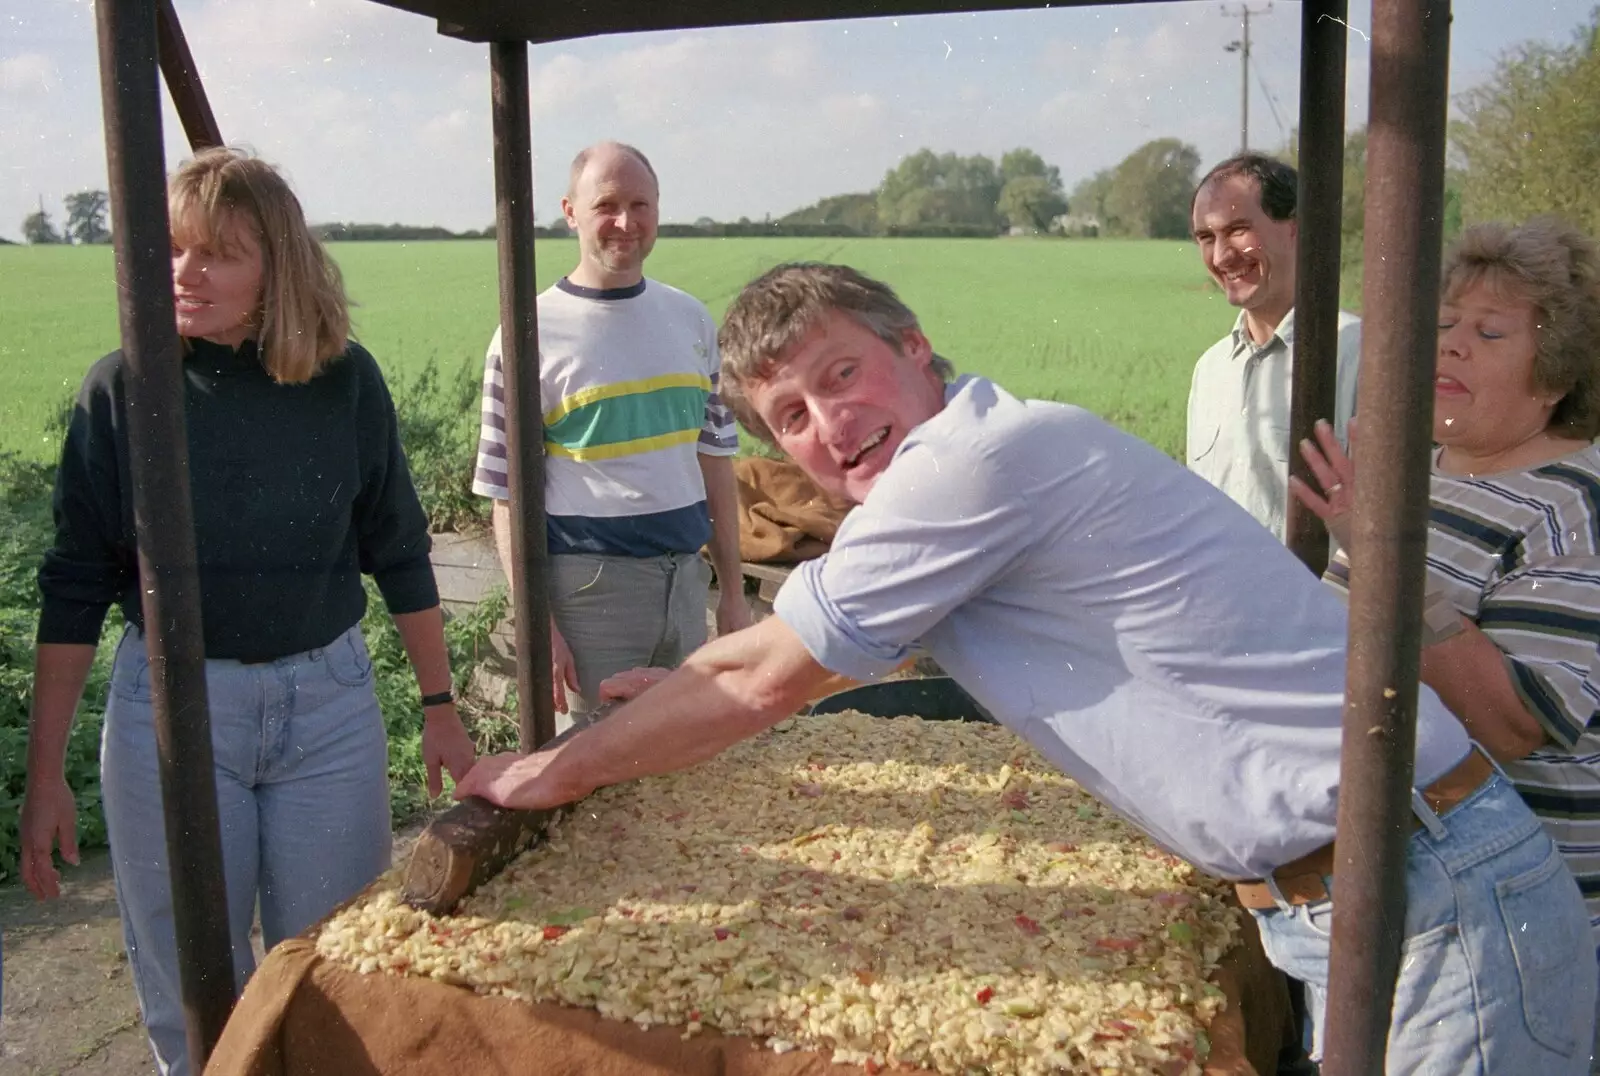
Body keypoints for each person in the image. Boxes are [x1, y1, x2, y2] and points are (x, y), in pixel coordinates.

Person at [457, 261, 1598, 1073]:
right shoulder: (960, 471)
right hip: (1355, 888)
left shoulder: (974, 459)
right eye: (789, 415)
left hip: (1426, 890)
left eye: (842, 373)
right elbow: (827, 645)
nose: (827, 422)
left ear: (914, 351)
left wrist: (554, 772)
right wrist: (679, 690)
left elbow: (767, 678)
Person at [18, 147, 477, 1076]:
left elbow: (396, 547)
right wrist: (44, 773)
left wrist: (439, 705)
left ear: (278, 267)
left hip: (331, 712)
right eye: (171, 250)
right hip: (173, 717)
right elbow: (73, 583)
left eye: (217, 252)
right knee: (191, 985)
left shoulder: (344, 382)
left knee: (333, 965)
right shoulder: (121, 392)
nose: (185, 273)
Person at [1294, 216, 1600, 1070]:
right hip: (1408, 902)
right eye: (1443, 326)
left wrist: (1382, 554)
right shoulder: (1419, 468)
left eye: (1489, 331)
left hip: (1516, 933)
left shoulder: (1570, 504)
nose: (1452, 348)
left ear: (1556, 372)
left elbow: (1513, 723)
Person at [471, 140, 748, 727]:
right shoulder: (528, 333)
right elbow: (504, 496)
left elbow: (715, 461)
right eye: (606, 205)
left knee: (688, 758)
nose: (626, 222)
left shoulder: (692, 320)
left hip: (686, 582)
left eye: (640, 205)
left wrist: (729, 593)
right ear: (570, 211)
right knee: (599, 775)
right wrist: (539, 626)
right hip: (590, 596)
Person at [1188, 153, 1361, 542]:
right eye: (1206, 237)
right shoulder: (1211, 369)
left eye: (1238, 230)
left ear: (1296, 228)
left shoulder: (1360, 355)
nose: (1220, 256)